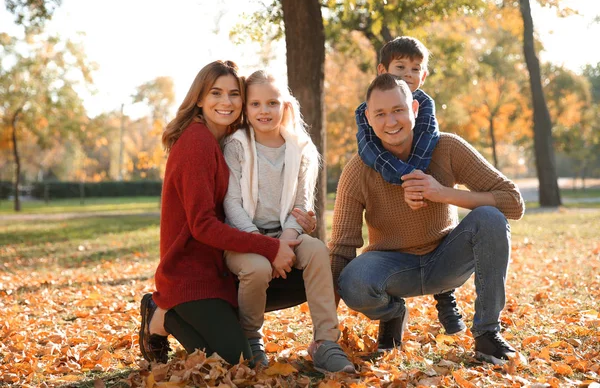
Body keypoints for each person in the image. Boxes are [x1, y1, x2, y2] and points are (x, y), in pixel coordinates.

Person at [330, 73, 525, 365]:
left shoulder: (446, 147)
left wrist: (441, 192)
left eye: (398, 110)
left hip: (447, 259)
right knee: (352, 280)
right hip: (393, 268)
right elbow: (342, 247)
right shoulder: (357, 169)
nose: (391, 122)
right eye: (380, 114)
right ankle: (394, 314)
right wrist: (324, 331)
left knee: (490, 218)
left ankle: (486, 335)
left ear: (415, 109)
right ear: (368, 118)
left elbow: (513, 202)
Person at [138, 60, 315, 367]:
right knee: (235, 361)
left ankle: (220, 318)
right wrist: (271, 247)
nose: (226, 101)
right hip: (190, 274)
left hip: (222, 268)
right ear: (200, 98)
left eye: (234, 94)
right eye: (216, 93)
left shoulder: (228, 141)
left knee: (302, 277)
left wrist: (300, 221)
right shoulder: (196, 141)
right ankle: (160, 316)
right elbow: (202, 225)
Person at [221, 70, 355, 373]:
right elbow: (231, 202)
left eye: (272, 103)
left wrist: (284, 241)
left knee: (318, 251)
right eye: (255, 104)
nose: (264, 111)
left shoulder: (302, 149)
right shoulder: (237, 145)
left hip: (286, 234)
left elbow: (302, 204)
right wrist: (264, 246)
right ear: (246, 108)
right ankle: (251, 337)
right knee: (257, 267)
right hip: (245, 237)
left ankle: (325, 342)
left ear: (286, 106)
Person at [353, 36, 465, 336]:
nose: (408, 74)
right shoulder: (367, 110)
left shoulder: (425, 106)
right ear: (382, 71)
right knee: (394, 254)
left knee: (437, 244)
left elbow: (426, 143)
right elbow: (370, 151)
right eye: (400, 67)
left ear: (423, 76)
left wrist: (414, 180)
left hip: (432, 211)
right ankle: (392, 309)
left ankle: (446, 297)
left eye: (416, 69)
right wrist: (403, 178)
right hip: (394, 222)